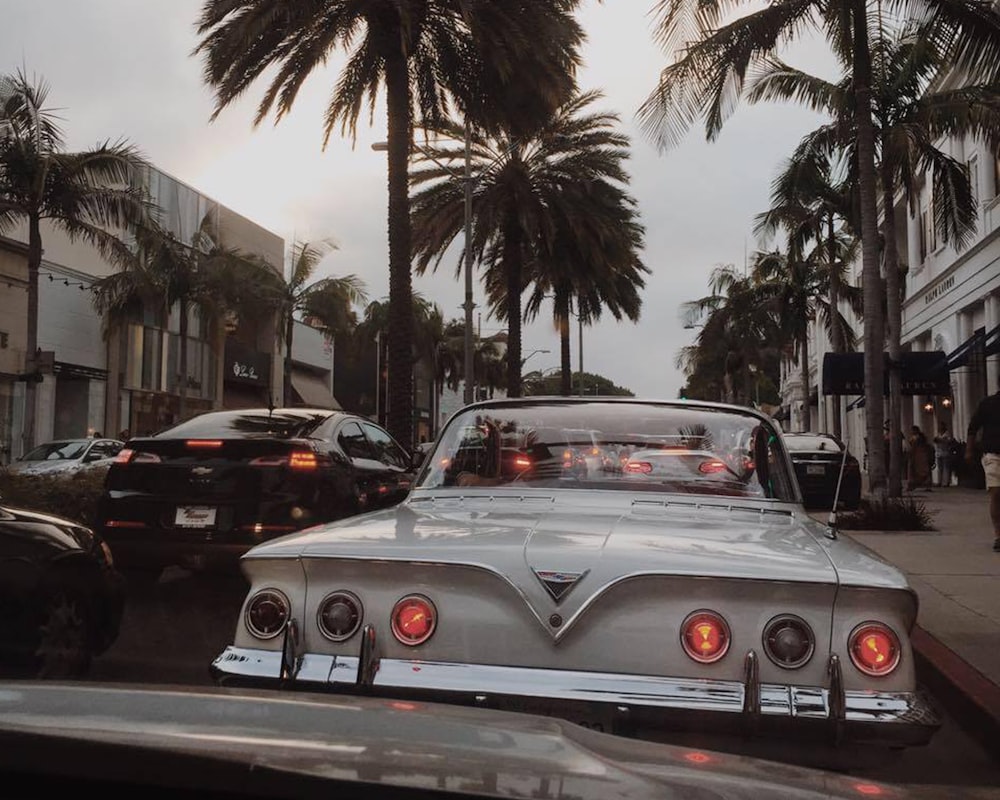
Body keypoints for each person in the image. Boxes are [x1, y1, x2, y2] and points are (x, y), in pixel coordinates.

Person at [966, 387, 1000, 551]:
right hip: (993, 455)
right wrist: (969, 450)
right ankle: (998, 535)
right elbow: (973, 427)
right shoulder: (988, 404)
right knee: (996, 493)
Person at [906, 425, 932, 492]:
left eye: (913, 430)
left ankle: (926, 484)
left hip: (920, 456)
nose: (911, 432)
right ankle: (913, 484)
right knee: (914, 470)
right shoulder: (913, 437)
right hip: (915, 455)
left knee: (922, 470)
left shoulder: (919, 438)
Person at [932, 422, 954, 488]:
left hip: (945, 452)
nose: (940, 428)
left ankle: (946, 482)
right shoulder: (938, 434)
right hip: (938, 453)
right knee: (940, 468)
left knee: (946, 468)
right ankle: (939, 481)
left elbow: (949, 441)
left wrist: (942, 440)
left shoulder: (947, 434)